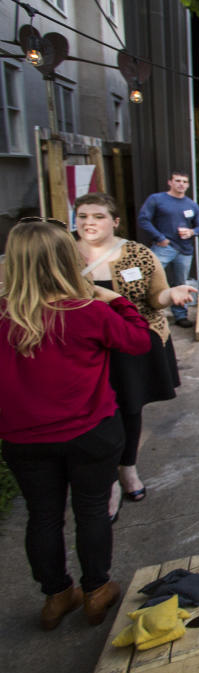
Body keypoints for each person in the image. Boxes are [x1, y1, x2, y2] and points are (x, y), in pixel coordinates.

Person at [1, 219, 150, 630]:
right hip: (90, 431)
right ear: (66, 260)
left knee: (43, 516)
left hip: (24, 438)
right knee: (91, 511)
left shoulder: (4, 315)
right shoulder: (85, 311)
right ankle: (96, 590)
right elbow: (138, 339)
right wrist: (112, 299)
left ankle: (55, 596)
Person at [76, 193, 195, 517]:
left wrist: (171, 294)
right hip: (80, 349)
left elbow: (156, 296)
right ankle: (107, 478)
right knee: (93, 416)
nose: (89, 222)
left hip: (130, 344)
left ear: (114, 221)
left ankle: (126, 468)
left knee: (128, 408)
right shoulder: (63, 257)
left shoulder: (137, 253)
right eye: (83, 216)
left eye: (98, 216)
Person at [136, 171, 199, 328]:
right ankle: (144, 314)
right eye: (178, 180)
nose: (181, 184)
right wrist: (159, 238)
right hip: (164, 248)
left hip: (185, 250)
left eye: (185, 181)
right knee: (149, 278)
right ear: (170, 182)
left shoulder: (191, 204)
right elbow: (143, 219)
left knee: (180, 283)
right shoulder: (157, 199)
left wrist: (191, 232)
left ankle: (181, 316)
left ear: (188, 185)